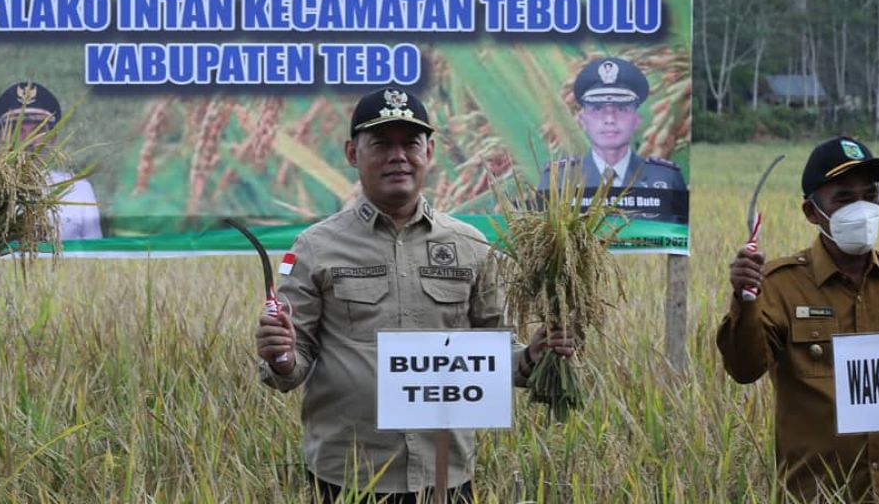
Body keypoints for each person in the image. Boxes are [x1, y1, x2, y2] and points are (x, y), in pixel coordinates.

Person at [255, 87, 574, 503]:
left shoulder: (471, 245)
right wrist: (279, 355)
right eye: (381, 144)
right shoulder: (315, 248)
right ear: (353, 153)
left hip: (445, 471)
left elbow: (494, 354)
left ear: (430, 151)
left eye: (410, 143)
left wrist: (532, 356)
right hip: (350, 474)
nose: (398, 155)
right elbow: (292, 365)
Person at [717, 136, 879, 502]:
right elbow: (744, 368)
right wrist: (744, 297)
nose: (861, 208)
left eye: (871, 195)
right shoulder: (781, 286)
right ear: (812, 212)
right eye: (844, 198)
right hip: (816, 495)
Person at [540, 57, 685, 191]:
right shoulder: (557, 180)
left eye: (621, 109)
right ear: (582, 120)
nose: (610, 119)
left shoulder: (665, 178)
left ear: (636, 120)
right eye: (597, 109)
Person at [0, 81, 102, 240]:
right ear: (1, 138)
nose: (28, 140)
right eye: (17, 130)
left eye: (38, 130)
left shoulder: (78, 190)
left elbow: (97, 257)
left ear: (53, 139)